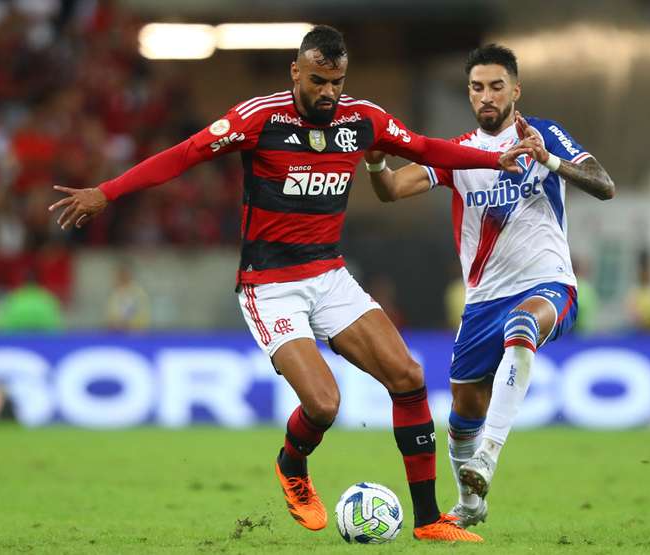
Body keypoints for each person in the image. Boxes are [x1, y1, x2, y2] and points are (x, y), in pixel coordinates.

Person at [49, 27, 531, 542]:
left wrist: (490, 157)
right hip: (270, 285)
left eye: (337, 82)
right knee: (324, 404)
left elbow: (426, 148)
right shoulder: (260, 118)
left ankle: (430, 520)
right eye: (319, 81)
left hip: (329, 276)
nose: (329, 93)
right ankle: (292, 465)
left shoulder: (362, 119)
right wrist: (107, 191)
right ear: (296, 72)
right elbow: (185, 154)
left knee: (408, 376)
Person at [365, 44, 615, 530]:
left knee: (522, 327)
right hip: (482, 302)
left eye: (496, 86)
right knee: (462, 413)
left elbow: (604, 185)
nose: (486, 96)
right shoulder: (459, 153)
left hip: (547, 283)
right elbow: (392, 189)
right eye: (477, 87)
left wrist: (551, 162)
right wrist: (375, 163)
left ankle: (488, 459)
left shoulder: (541, 135)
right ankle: (471, 503)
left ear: (515, 90)